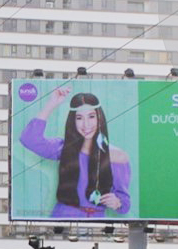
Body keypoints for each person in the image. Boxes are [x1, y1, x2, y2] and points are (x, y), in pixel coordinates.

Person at [18, 85, 132, 218]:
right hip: (63, 218)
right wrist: (51, 104)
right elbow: (29, 139)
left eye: (91, 116)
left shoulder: (117, 156)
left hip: (96, 223)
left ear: (99, 118)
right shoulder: (64, 148)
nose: (86, 124)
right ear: (73, 121)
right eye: (79, 118)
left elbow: (125, 203)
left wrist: (117, 203)